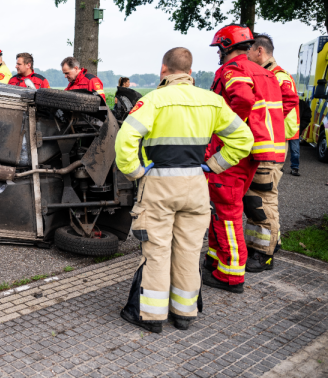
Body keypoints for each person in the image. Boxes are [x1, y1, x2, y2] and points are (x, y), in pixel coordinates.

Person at [117, 47, 253, 333]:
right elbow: (243, 139)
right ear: (190, 72)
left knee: (156, 251)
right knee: (190, 250)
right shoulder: (212, 101)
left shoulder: (154, 100)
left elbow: (126, 140)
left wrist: (136, 172)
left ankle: (151, 317)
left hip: (160, 186)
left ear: (163, 69)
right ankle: (184, 313)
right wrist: (214, 165)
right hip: (196, 185)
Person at [203, 24, 291, 293]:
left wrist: (222, 136)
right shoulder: (266, 74)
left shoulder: (233, 70)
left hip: (231, 155)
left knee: (227, 212)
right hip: (253, 155)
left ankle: (231, 274)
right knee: (222, 209)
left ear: (225, 47)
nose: (218, 53)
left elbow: (240, 100)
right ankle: (216, 259)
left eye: (219, 48)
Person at [244, 33, 299, 272]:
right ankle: (261, 247)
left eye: (248, 52)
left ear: (259, 51)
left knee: (264, 201)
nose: (246, 57)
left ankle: (265, 254)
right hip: (268, 144)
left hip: (273, 146)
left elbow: (284, 105)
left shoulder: (278, 77)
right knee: (257, 201)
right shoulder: (269, 75)